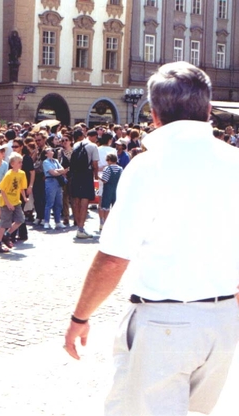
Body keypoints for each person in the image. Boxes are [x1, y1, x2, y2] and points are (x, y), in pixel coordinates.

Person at [64, 61, 239, 415]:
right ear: (208, 110)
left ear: (155, 115)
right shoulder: (235, 160)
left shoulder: (149, 166)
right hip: (221, 321)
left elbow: (114, 256)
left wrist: (80, 317)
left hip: (164, 323)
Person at [0, 152, 28, 253]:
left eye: (21, 162)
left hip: (16, 201)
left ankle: (6, 235)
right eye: (19, 162)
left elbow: (22, 188)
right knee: (4, 223)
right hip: (5, 202)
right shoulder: (8, 174)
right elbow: (2, 189)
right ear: (12, 164)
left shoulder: (22, 174)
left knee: (20, 219)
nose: (21, 164)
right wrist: (7, 203)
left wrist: (25, 197)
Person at [69, 129, 99, 239]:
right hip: (86, 174)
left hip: (75, 174)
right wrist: (95, 175)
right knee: (85, 201)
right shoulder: (93, 146)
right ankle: (81, 228)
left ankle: (78, 227)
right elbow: (95, 163)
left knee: (76, 200)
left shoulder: (76, 144)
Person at [42, 147, 67, 230]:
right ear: (46, 154)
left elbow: (63, 170)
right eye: (49, 150)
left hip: (58, 183)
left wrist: (57, 171)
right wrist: (58, 171)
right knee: (49, 202)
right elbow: (52, 173)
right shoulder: (45, 162)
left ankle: (58, 222)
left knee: (58, 203)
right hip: (50, 181)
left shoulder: (56, 161)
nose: (52, 151)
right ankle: (46, 221)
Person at [99, 153, 123, 230]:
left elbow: (105, 180)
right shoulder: (120, 169)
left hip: (108, 190)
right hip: (117, 190)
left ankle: (105, 224)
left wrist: (99, 177)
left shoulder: (107, 169)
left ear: (109, 160)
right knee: (115, 207)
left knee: (105, 207)